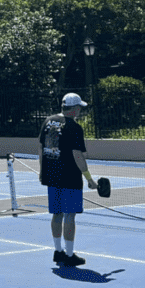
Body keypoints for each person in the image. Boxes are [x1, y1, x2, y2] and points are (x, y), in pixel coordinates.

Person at [39, 93, 98, 268]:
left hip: (51, 175)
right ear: (75, 108)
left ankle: (58, 251)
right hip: (69, 177)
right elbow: (77, 155)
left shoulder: (48, 121)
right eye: (79, 107)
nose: (80, 110)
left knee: (57, 214)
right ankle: (70, 255)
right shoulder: (74, 127)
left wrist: (42, 170)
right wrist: (89, 178)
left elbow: (41, 148)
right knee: (70, 215)